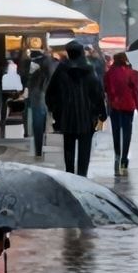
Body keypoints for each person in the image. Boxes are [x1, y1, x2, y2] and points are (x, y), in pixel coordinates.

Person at [48, 40, 105, 175]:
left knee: (68, 151)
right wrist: (101, 112)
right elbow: (97, 93)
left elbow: (51, 94)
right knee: (84, 152)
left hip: (67, 118)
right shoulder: (89, 70)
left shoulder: (61, 70)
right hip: (86, 117)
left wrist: (56, 111)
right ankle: (82, 177)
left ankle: (70, 176)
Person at [103, 53, 138, 176]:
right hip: (128, 106)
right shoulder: (131, 73)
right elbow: (136, 91)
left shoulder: (109, 73)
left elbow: (105, 88)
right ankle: (124, 159)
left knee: (116, 131)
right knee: (127, 133)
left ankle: (117, 154)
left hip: (114, 105)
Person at [21, 49, 53, 159]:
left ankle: (39, 149)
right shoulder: (47, 63)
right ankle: (40, 148)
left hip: (36, 96)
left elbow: (24, 79)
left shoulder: (32, 65)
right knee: (40, 122)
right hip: (41, 96)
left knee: (37, 123)